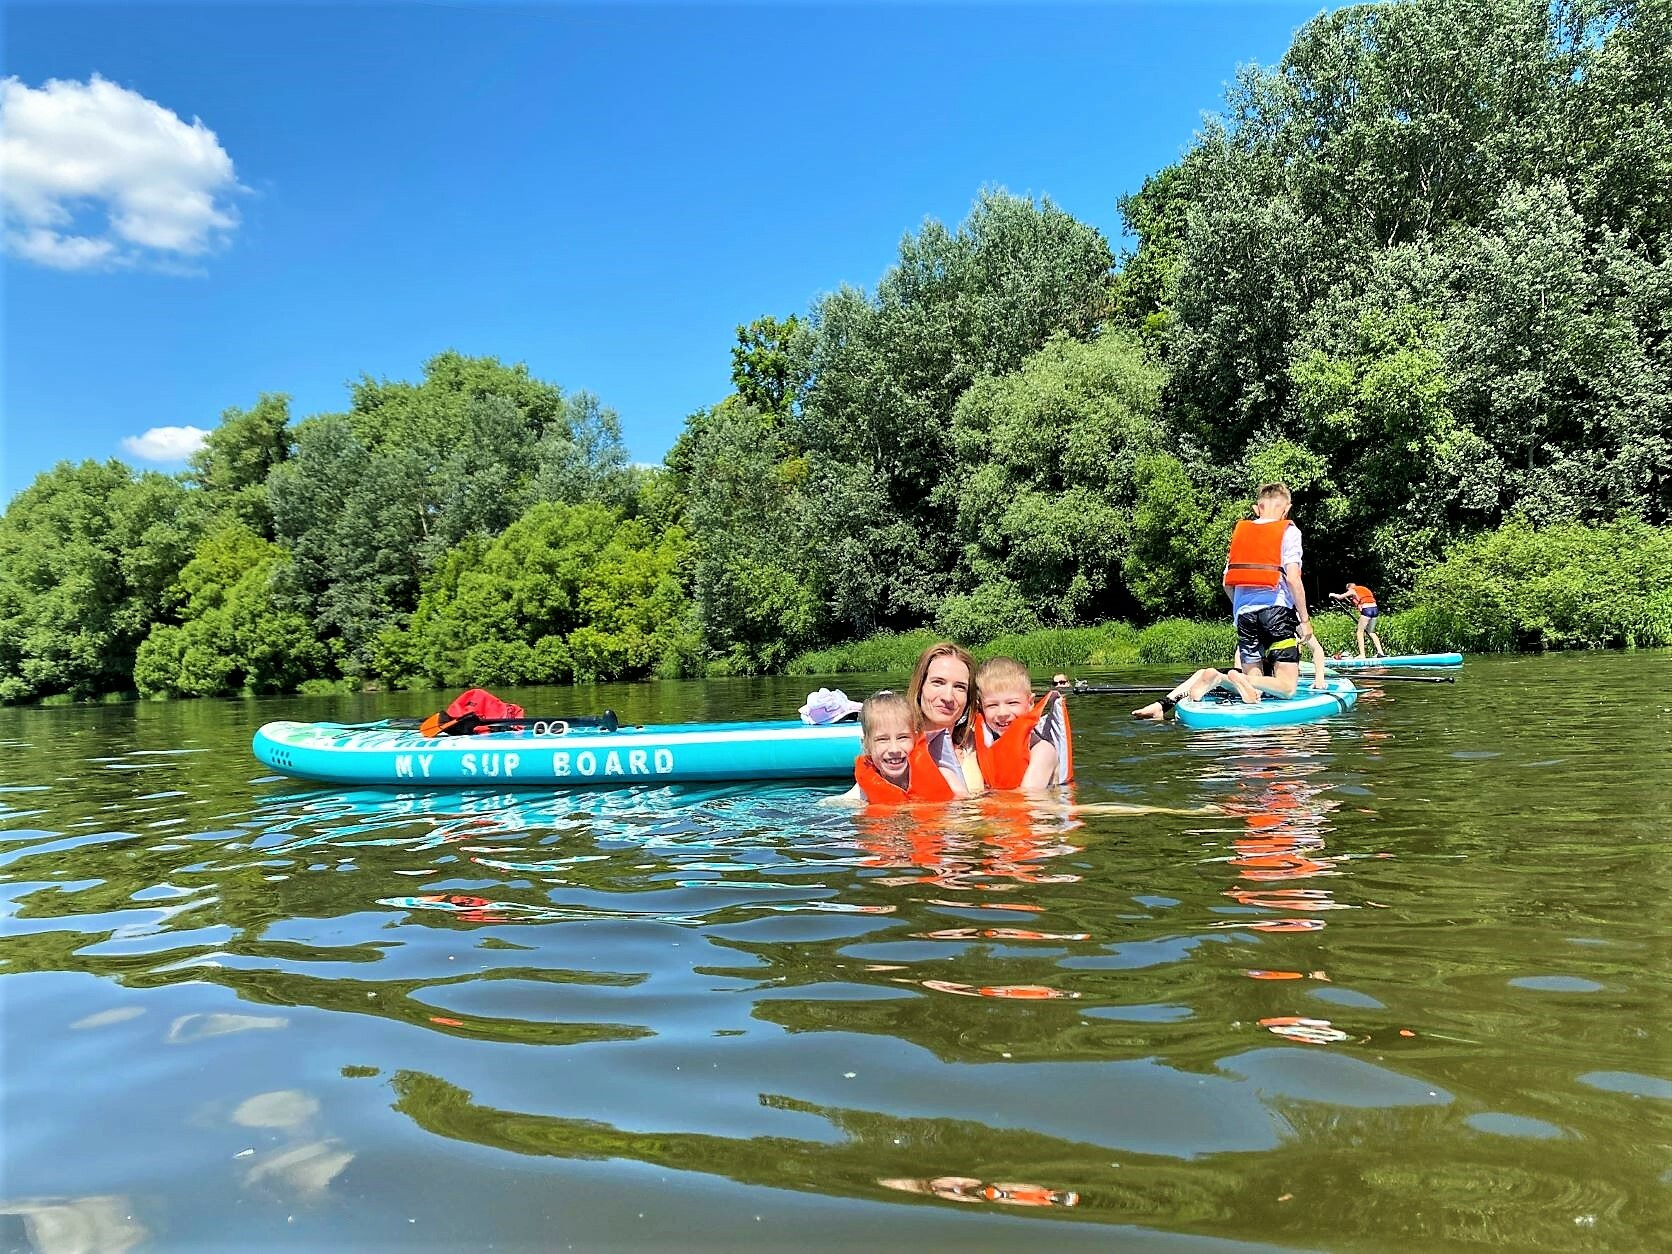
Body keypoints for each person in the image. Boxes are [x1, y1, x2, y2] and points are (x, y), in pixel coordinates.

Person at [1224, 482, 1313, 699]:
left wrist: (1240, 609)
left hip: (1244, 615)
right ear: (1287, 508)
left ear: (1257, 508)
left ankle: (1226, 678)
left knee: (1256, 693)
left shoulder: (1241, 532)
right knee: (1288, 688)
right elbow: (1293, 578)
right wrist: (1304, 620)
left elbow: (1227, 582)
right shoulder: (1289, 531)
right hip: (1276, 612)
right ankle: (1240, 679)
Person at [971, 656, 1072, 791]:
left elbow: (1026, 800)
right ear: (981, 707)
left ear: (1030, 703)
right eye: (992, 705)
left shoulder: (1043, 752)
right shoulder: (976, 744)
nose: (1002, 713)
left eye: (1012, 703)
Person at [848, 690, 967, 804]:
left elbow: (966, 810)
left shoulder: (944, 776)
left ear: (915, 739)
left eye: (902, 737)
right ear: (866, 745)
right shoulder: (861, 793)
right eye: (882, 739)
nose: (894, 749)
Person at [905, 641, 983, 792]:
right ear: (920, 687)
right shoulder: (895, 751)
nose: (948, 697)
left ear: (968, 698)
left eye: (959, 687)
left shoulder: (979, 745)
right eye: (938, 683)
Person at [1329, 582, 1386, 659]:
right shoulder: (1365, 589)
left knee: (1360, 632)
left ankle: (1362, 655)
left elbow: (1340, 597)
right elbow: (1363, 599)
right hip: (1375, 609)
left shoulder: (1352, 590)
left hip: (1367, 608)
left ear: (1349, 587)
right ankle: (1380, 652)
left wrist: (1332, 594)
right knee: (1371, 632)